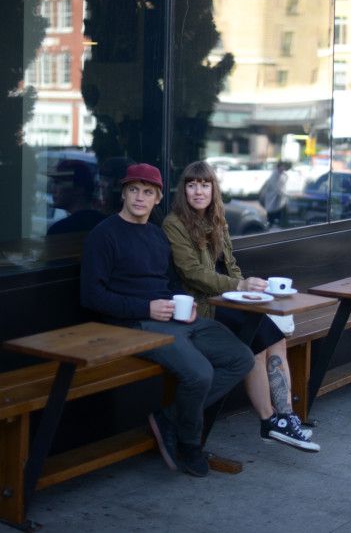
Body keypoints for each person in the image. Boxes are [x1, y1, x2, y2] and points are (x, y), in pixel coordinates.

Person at [80, 163, 254, 477]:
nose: (139, 198)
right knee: (199, 373)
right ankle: (189, 443)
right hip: (132, 325)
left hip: (171, 318)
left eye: (148, 192)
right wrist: (147, 308)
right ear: (123, 193)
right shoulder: (103, 235)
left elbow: (171, 283)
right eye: (133, 190)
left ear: (158, 197)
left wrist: (178, 303)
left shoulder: (157, 236)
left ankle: (170, 418)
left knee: (240, 357)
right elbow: (92, 297)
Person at [163, 160, 320, 452]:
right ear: (183, 190)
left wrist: (249, 291)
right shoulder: (175, 224)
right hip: (205, 305)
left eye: (205, 185)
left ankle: (285, 415)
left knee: (276, 339)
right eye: (192, 185)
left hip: (232, 302)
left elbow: (231, 266)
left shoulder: (218, 221)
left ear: (213, 189)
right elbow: (192, 273)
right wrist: (239, 287)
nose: (198, 191)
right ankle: (268, 420)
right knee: (256, 345)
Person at [259, 161, 289, 226]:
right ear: (279, 167)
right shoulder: (274, 175)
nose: (283, 168)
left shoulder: (283, 175)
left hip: (279, 198)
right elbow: (276, 188)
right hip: (272, 197)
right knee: (271, 212)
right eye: (282, 166)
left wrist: (284, 194)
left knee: (280, 210)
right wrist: (285, 194)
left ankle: (279, 224)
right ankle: (270, 224)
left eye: (284, 166)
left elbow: (283, 186)